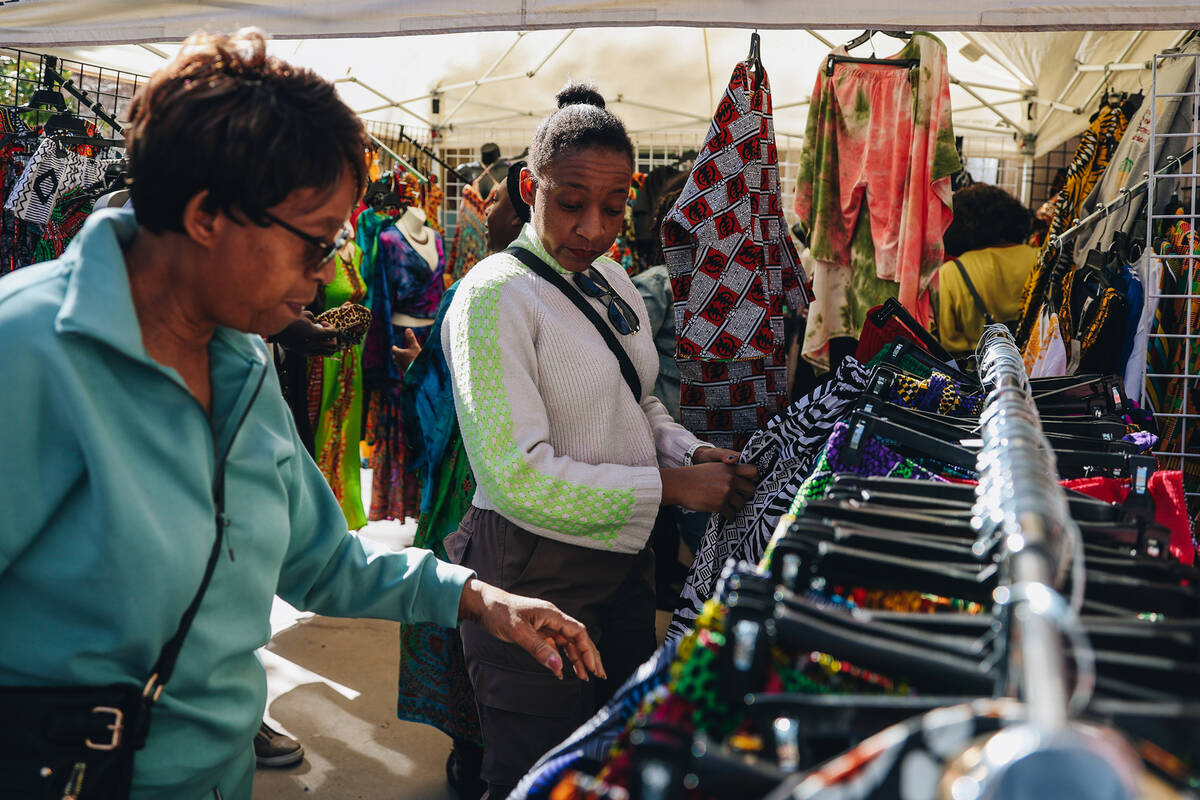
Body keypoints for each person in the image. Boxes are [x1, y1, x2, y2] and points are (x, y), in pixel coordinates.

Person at [0, 30, 603, 800]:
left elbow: (320, 562)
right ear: (206, 215)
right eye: (316, 245)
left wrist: (479, 598)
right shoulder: (29, 354)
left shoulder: (242, 361)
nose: (324, 279)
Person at [442, 81, 759, 799]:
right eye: (571, 202)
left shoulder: (611, 279)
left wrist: (687, 451)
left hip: (621, 567)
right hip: (532, 572)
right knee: (533, 774)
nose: (593, 227)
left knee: (611, 764)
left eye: (614, 208)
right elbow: (516, 477)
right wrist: (671, 489)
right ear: (530, 187)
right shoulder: (495, 295)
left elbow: (636, 398)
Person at [934, 183, 1037, 354]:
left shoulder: (952, 273)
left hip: (981, 374)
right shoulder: (1041, 258)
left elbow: (948, 341)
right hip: (1046, 371)